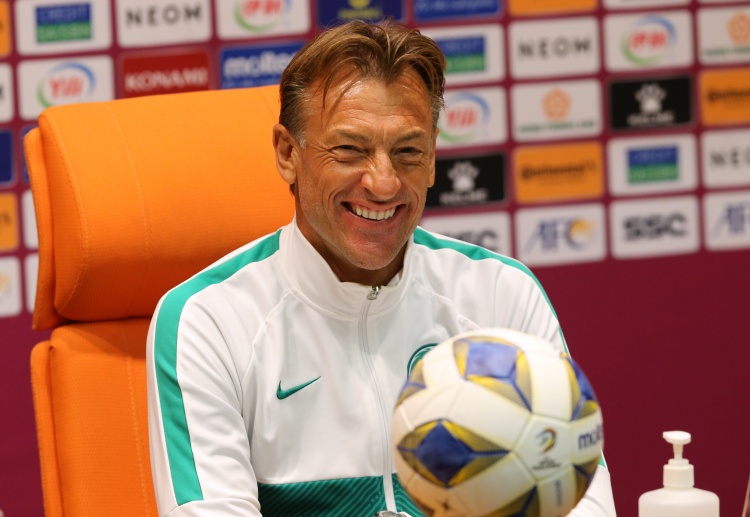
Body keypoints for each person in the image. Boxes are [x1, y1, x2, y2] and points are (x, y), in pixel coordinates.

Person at [146, 20, 617, 517]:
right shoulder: (209, 320)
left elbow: (578, 501)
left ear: (432, 158)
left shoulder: (500, 294)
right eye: (350, 149)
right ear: (288, 153)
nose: (384, 183)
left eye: (408, 151)